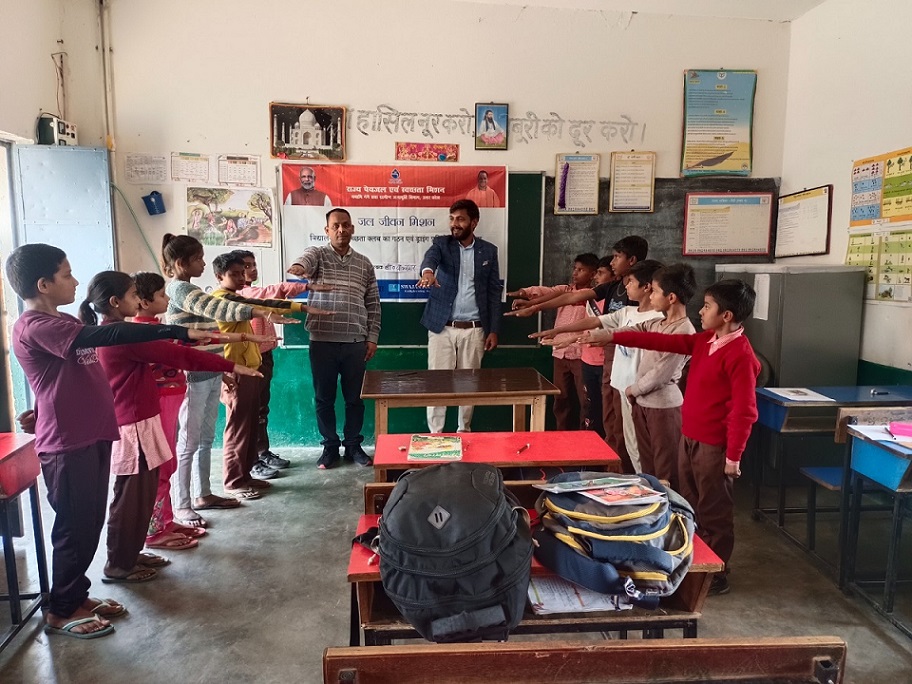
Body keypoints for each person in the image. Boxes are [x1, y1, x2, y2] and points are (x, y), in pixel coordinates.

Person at [3, 243, 222, 638]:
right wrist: (176, 330)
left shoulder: (62, 321)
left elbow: (59, 377)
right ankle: (61, 610)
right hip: (68, 442)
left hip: (91, 434)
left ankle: (77, 595)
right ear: (43, 284)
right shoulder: (37, 325)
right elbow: (112, 334)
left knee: (88, 524)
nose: (75, 281)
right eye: (66, 274)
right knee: (74, 528)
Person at [79, 271, 263, 580]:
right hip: (133, 427)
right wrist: (231, 365)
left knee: (139, 494)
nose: (138, 301)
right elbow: (176, 354)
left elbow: (176, 348)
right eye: (133, 295)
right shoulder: (121, 336)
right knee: (131, 497)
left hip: (139, 422)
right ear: (115, 301)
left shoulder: (114, 332)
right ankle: (118, 564)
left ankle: (130, 554)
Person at [598, 279, 761, 595]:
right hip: (690, 437)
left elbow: (745, 411)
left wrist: (733, 456)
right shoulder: (707, 340)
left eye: (707, 306)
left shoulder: (741, 355)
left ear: (726, 315)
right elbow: (660, 341)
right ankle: (694, 561)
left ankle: (717, 573)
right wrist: (612, 335)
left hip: (714, 445)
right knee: (690, 503)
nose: (701, 311)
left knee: (714, 509)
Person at [162, 234, 290, 526]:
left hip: (209, 371)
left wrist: (221, 370)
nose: (203, 263)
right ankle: (182, 504)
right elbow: (218, 310)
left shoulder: (192, 289)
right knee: (189, 442)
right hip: (192, 376)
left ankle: (203, 494)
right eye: (198, 259)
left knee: (205, 438)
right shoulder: (180, 289)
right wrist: (260, 311)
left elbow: (208, 338)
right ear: (181, 263)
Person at [509, 236, 648, 471]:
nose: (612, 262)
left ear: (632, 261)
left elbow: (615, 330)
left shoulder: (641, 302)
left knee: (626, 426)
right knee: (610, 419)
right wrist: (539, 311)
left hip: (627, 362)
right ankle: (609, 468)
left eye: (617, 257)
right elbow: (576, 301)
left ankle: (629, 473)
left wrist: (568, 335)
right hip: (611, 361)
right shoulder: (613, 288)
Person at [211, 252, 329, 496]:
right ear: (219, 276)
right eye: (234, 274)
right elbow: (261, 304)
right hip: (235, 372)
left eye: (242, 272)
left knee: (250, 425)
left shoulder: (236, 296)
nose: (241, 277)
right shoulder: (222, 299)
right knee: (238, 429)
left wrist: (298, 306)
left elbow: (265, 304)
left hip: (250, 370)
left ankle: (246, 475)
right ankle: (234, 482)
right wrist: (300, 305)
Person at [536, 260, 665, 472]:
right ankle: (633, 479)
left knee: (644, 445)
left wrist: (572, 337)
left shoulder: (658, 319)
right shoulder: (627, 312)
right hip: (621, 386)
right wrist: (560, 332)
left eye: (631, 282)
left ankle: (648, 482)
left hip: (641, 391)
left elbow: (614, 336)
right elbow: (596, 323)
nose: (625, 286)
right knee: (627, 441)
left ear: (647, 287)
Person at [288, 208, 381, 469]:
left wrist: (372, 337)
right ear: (327, 230)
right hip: (322, 342)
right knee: (324, 398)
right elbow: (305, 260)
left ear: (352, 229)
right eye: (336, 226)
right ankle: (329, 447)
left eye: (346, 225)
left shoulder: (364, 263)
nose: (341, 230)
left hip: (355, 343)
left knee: (355, 399)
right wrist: (299, 267)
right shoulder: (318, 255)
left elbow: (373, 304)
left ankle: (353, 446)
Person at [417, 199, 502, 433]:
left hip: (474, 329)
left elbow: (494, 292)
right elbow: (430, 260)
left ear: (474, 222)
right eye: (452, 219)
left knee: (469, 384)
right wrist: (427, 273)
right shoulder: (442, 244)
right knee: (437, 383)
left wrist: (494, 329)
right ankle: (436, 434)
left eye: (461, 219)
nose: (455, 224)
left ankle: (464, 431)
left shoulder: (489, 251)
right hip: (442, 328)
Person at [507, 253, 598, 430]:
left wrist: (532, 306)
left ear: (593, 274)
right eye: (574, 268)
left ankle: (585, 436)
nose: (575, 273)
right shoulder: (564, 290)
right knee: (560, 398)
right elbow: (545, 291)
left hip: (582, 354)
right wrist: (524, 293)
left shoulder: (595, 295)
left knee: (585, 401)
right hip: (560, 353)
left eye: (581, 270)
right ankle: (560, 433)